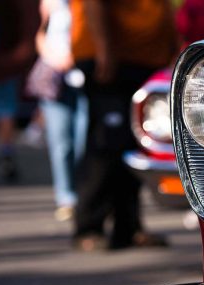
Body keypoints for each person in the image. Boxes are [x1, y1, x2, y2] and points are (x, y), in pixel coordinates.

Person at [70, 0, 177, 250]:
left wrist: (171, 46)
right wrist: (104, 49)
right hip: (110, 59)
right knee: (105, 142)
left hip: (142, 60)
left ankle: (128, 228)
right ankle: (88, 227)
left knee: (134, 145)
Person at [35, 0, 88, 221]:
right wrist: (53, 58)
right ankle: (66, 197)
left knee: (83, 140)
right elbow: (41, 34)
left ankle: (85, 193)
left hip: (85, 76)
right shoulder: (51, 3)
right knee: (61, 143)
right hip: (55, 79)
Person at [0, 1, 40, 182]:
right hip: (5, 63)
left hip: (4, 63)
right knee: (5, 111)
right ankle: (6, 152)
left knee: (5, 111)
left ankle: (6, 153)